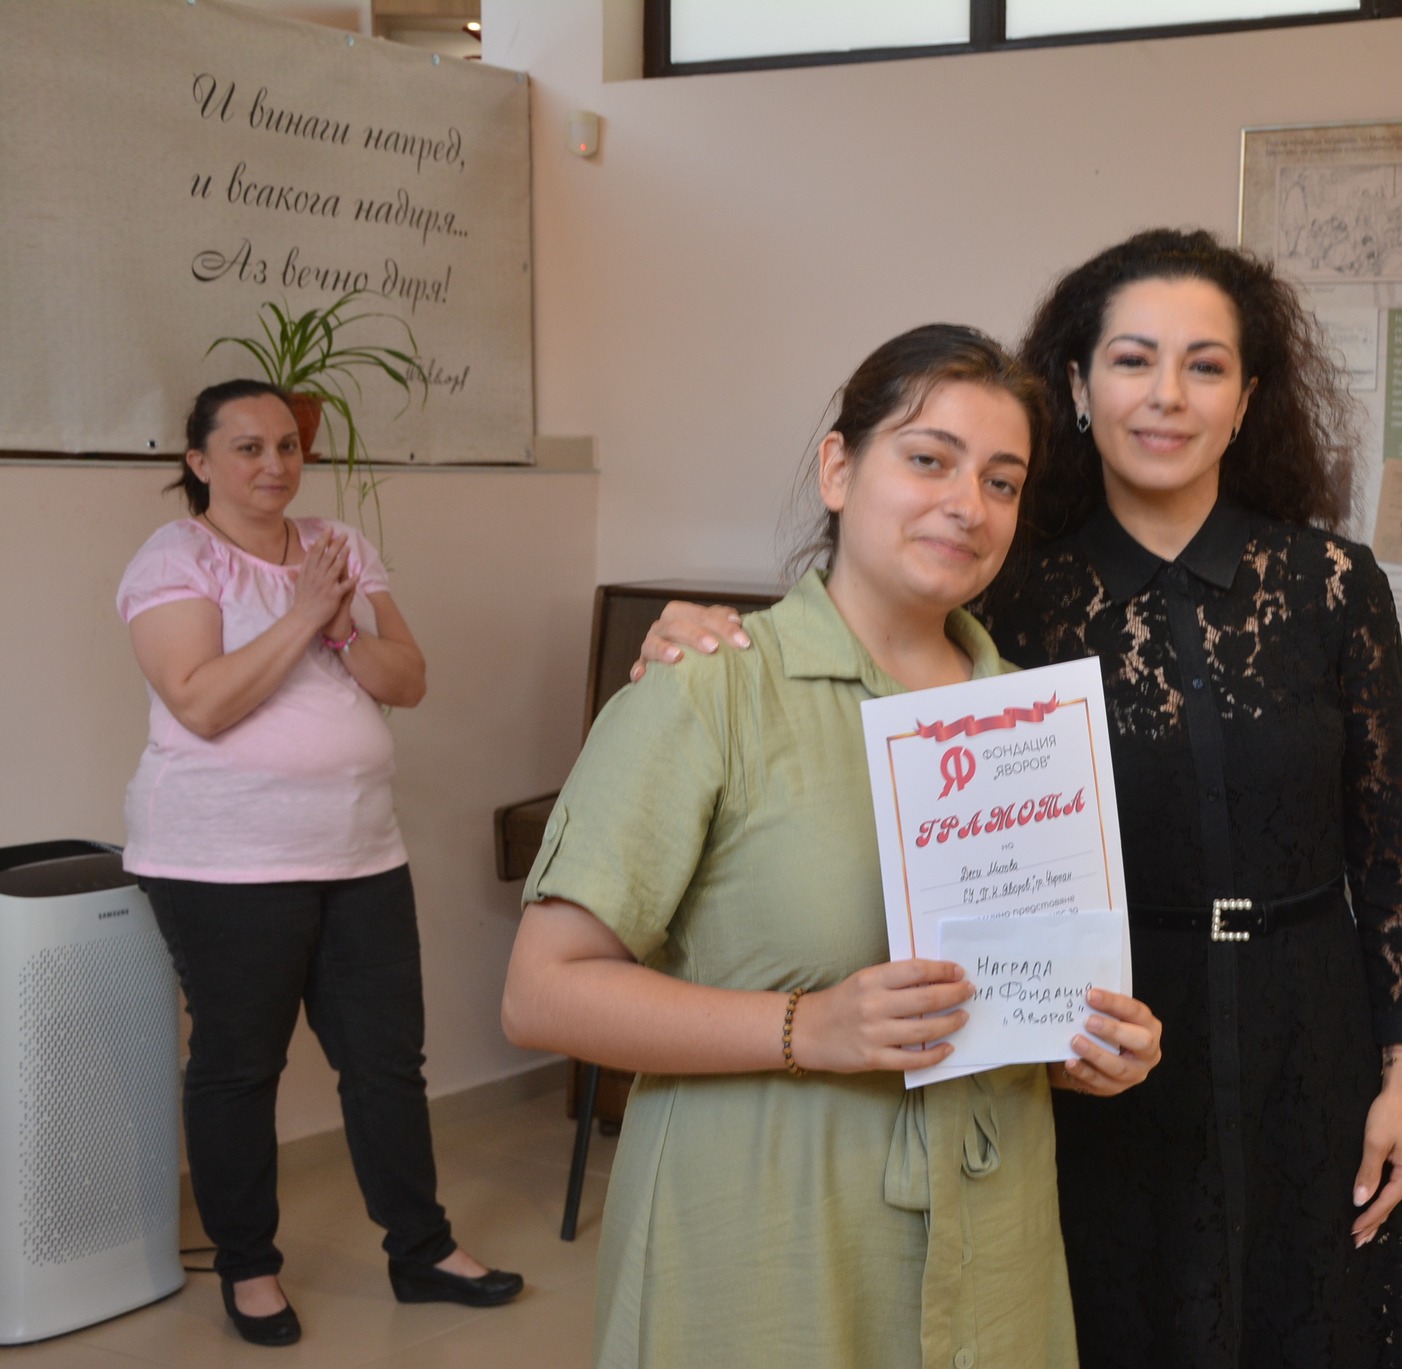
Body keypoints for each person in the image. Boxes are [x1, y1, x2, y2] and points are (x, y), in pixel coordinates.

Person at [638, 229, 1402, 1369]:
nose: (1166, 395)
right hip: (1089, 1038)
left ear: (1245, 400)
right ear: (1076, 386)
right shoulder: (1003, 587)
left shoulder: (1333, 584)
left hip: (1305, 1035)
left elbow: (1393, 842)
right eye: (1131, 360)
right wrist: (700, 631)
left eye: (1205, 366)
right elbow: (862, 652)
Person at [499, 323, 1163, 1369]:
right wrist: (809, 1026)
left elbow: (1011, 994)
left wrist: (1086, 1043)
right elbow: (542, 993)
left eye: (1001, 481)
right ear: (838, 469)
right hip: (762, 1231)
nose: (968, 504)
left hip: (991, 1240)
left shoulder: (1031, 724)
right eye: (929, 459)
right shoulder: (709, 687)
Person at [118, 379, 521, 1348]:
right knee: (239, 1067)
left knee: (386, 1061)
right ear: (199, 461)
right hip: (221, 861)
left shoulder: (338, 543)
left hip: (360, 850)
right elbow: (202, 701)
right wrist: (306, 615)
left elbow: (407, 678)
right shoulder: (175, 557)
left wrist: (342, 626)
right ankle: (249, 1267)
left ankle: (421, 1249)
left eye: (288, 447)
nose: (275, 464)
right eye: (248, 447)